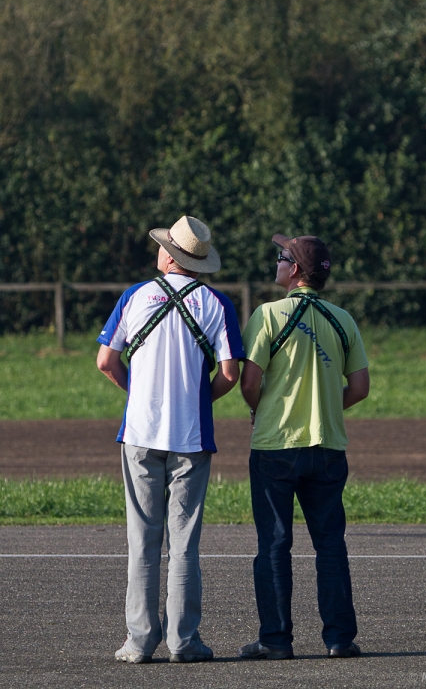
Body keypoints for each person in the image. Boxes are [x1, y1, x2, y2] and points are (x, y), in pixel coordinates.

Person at [97, 215, 244, 664]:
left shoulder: (135, 296)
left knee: (142, 540)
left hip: (139, 432)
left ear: (168, 254)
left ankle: (138, 641)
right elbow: (231, 373)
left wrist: (137, 392)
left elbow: (106, 360)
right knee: (184, 544)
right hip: (192, 437)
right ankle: (184, 641)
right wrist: (200, 398)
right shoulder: (217, 304)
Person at [239, 232, 369, 661]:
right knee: (331, 544)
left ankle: (275, 641)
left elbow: (250, 381)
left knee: (274, 545)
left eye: (280, 257)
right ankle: (339, 639)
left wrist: (260, 411)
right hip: (329, 445)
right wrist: (331, 405)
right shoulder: (342, 319)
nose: (275, 263)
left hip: (276, 446)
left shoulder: (268, 315)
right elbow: (361, 386)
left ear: (294, 270)